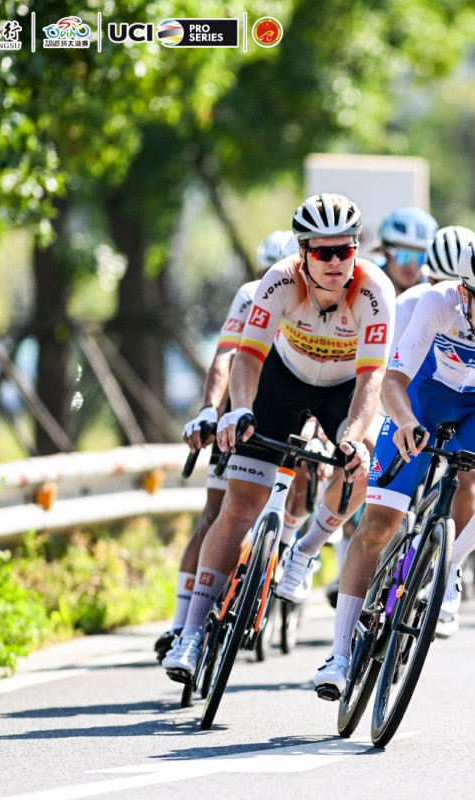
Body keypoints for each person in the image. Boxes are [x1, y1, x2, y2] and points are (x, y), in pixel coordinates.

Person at [313, 233, 475, 698]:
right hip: (421, 403)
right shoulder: (437, 302)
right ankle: (340, 654)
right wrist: (404, 422)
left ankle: (450, 564)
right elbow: (394, 379)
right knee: (378, 525)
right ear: (464, 292)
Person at [161, 194, 393, 681]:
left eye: (345, 250)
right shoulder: (279, 281)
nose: (335, 262)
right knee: (238, 508)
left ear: (356, 249)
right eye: (322, 252)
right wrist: (239, 409)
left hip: (345, 386)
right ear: (303, 252)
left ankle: (307, 548)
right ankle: (190, 634)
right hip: (280, 382)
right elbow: (245, 357)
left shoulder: (375, 292)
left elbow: (372, 379)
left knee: (361, 461)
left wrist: (351, 437)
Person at [155, 231, 299, 660]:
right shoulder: (253, 295)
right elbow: (226, 356)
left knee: (309, 471)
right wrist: (208, 410)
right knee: (216, 513)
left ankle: (282, 558)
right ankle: (183, 627)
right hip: (245, 405)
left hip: (296, 406)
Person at [377, 206, 438, 295]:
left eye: (420, 257)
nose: (412, 265)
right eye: (404, 255)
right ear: (384, 251)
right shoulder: (363, 283)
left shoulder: (434, 290)